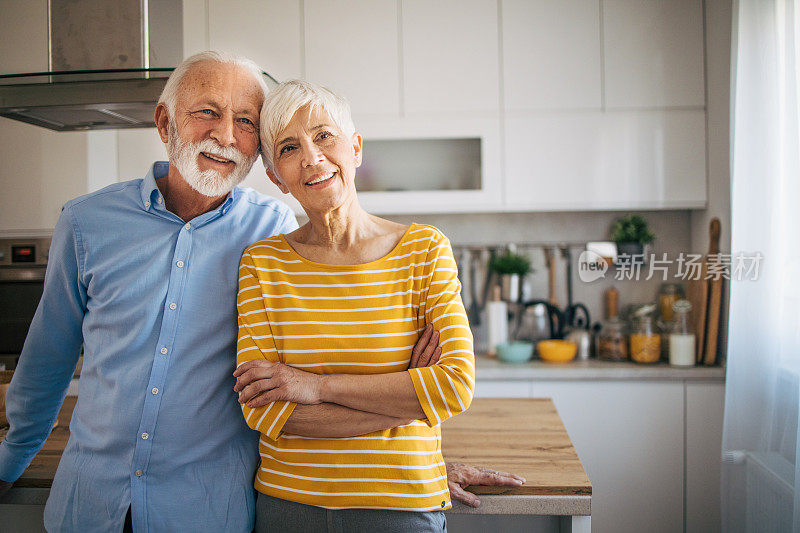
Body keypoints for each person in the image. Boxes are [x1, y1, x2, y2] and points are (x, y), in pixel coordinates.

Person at [0, 53, 522, 531]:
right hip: (92, 506)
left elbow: (418, 373)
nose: (226, 136)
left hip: (206, 511)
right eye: (206, 112)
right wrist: (7, 466)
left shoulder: (273, 231)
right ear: (165, 123)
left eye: (246, 121)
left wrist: (419, 457)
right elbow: (47, 362)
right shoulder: (90, 223)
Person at [232, 79, 514, 532]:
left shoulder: (423, 250)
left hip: (403, 506)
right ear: (276, 178)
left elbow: (455, 385)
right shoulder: (262, 265)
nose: (311, 157)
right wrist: (410, 398)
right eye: (288, 148)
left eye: (324, 135)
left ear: (356, 148)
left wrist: (314, 387)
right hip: (289, 506)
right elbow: (264, 411)